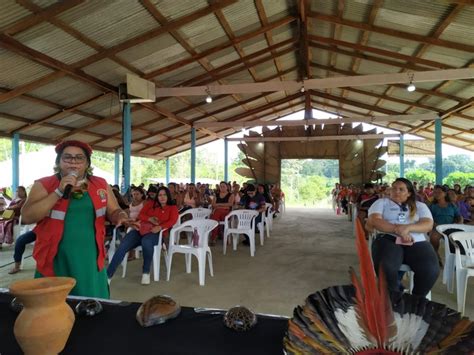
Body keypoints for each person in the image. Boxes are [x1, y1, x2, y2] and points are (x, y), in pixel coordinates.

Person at [21, 140, 134, 298]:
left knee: (91, 304)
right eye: (67, 157)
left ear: (87, 163)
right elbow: (26, 217)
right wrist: (59, 191)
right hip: (55, 257)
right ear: (59, 162)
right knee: (54, 307)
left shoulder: (100, 184)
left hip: (90, 256)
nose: (73, 162)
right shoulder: (44, 185)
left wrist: (121, 216)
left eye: (79, 158)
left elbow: (114, 210)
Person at [367, 178, 438, 297]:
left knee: (430, 270)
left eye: (401, 189)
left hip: (417, 241)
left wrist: (408, 228)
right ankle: (394, 299)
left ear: (409, 193)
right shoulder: (381, 203)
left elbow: (428, 224)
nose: (396, 191)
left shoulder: (419, 206)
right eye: (394, 188)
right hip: (388, 238)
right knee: (386, 267)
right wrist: (397, 230)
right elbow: (375, 221)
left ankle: (417, 300)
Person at [107, 186, 179, 285]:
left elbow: (172, 221)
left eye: (164, 195)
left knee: (147, 241)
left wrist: (160, 227)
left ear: (168, 196)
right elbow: (140, 215)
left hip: (156, 233)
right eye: (160, 195)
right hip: (141, 230)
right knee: (123, 244)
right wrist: (149, 219)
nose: (162, 197)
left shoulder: (172, 208)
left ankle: (146, 272)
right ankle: (108, 275)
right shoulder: (150, 204)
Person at [428, 185, 463, 261]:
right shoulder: (432, 206)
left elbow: (459, 216)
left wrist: (460, 222)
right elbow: (429, 218)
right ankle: (436, 256)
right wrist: (436, 225)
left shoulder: (451, 205)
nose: (437, 194)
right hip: (437, 227)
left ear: (445, 193)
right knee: (434, 237)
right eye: (435, 192)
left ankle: (457, 258)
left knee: (456, 239)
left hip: (450, 227)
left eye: (439, 192)